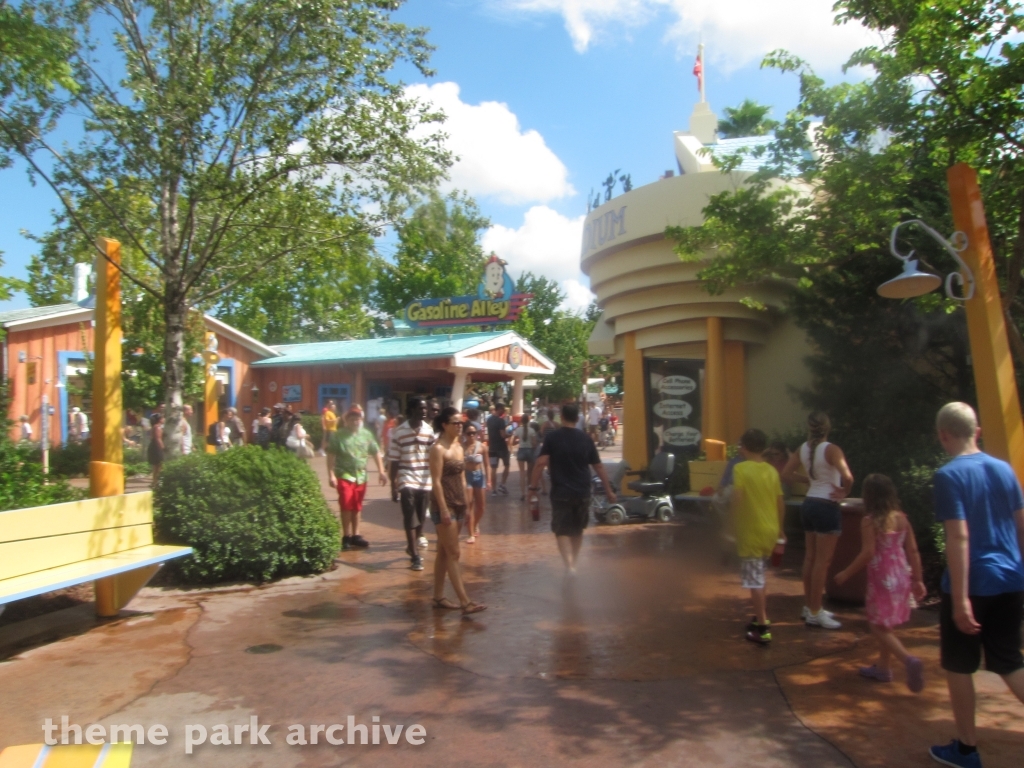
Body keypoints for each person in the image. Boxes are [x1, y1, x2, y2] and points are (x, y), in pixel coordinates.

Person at [926, 402, 1024, 768]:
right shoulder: (1004, 470)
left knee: (959, 665)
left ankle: (967, 750)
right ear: (977, 431)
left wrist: (961, 599)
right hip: (1011, 580)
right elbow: (1020, 524)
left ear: (943, 435)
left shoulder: (949, 476)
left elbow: (959, 537)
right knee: (1010, 662)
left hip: (973, 584)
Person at [834, 474, 926, 692]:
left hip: (882, 576)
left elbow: (868, 553)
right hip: (901, 574)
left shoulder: (870, 521)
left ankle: (907, 659)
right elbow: (913, 551)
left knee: (876, 624)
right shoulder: (902, 518)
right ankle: (884, 668)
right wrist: (919, 579)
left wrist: (846, 573)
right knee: (887, 623)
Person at [781, 412, 853, 629]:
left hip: (809, 503)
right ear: (827, 428)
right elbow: (848, 477)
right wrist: (844, 492)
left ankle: (810, 606)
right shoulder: (832, 449)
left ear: (809, 428)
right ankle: (815, 612)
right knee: (823, 562)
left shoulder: (803, 449)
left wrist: (808, 480)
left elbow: (786, 473)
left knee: (810, 558)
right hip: (825, 506)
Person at [529, 403, 617, 574]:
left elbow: (540, 463)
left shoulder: (552, 438)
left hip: (561, 491)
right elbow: (598, 467)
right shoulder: (586, 439)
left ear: (561, 417)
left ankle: (569, 565)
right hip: (583, 491)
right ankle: (574, 564)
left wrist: (532, 488)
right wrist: (608, 490)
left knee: (561, 530)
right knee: (577, 529)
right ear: (577, 419)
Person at [730, 429, 786, 645]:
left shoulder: (740, 469)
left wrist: (731, 525)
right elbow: (780, 502)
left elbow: (737, 499)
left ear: (744, 447)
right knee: (761, 574)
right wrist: (780, 529)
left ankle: (763, 628)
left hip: (751, 532)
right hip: (770, 530)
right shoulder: (771, 471)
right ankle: (759, 614)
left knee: (754, 580)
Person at [428, 406, 486, 615]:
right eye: (455, 423)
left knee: (444, 552)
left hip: (459, 503)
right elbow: (435, 482)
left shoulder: (459, 448)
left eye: (461, 422)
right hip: (443, 505)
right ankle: (465, 601)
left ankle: (438, 596)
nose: (460, 426)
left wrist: (467, 505)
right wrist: (443, 509)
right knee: (454, 553)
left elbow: (462, 478)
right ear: (444, 425)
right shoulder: (438, 449)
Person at [327, 405, 386, 551]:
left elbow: (376, 452)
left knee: (357, 505)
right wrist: (331, 474)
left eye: (357, 418)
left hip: (361, 476)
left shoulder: (366, 434)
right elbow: (330, 455)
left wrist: (381, 471)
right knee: (346, 504)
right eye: (352, 418)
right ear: (346, 420)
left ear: (361, 419)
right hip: (344, 475)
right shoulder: (338, 435)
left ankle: (356, 535)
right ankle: (346, 536)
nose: (355, 420)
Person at [388, 398, 435, 571]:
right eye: (421, 408)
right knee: (409, 514)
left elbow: (434, 457)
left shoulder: (429, 432)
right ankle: (415, 555)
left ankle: (411, 545)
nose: (424, 411)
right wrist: (393, 485)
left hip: (424, 479)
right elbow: (394, 460)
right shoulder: (399, 432)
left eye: (425, 409)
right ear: (412, 409)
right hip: (406, 477)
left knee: (421, 517)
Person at [461, 422, 489, 543]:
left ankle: (474, 523)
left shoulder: (482, 447)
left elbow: (487, 465)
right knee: (469, 506)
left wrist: (489, 480)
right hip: (467, 476)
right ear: (464, 434)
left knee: (481, 507)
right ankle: (470, 534)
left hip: (479, 476)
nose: (471, 435)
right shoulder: (461, 447)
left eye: (474, 433)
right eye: (469, 433)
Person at [487, 401, 511, 495]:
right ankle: (502, 484)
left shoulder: (489, 419)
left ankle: (493, 490)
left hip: (492, 447)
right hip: (502, 447)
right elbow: (502, 435)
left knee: (493, 468)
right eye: (503, 410)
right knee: (507, 465)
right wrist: (509, 435)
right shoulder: (501, 421)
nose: (504, 412)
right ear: (499, 409)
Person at [512, 415, 539, 500]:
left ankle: (522, 493)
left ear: (521, 421)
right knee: (530, 473)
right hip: (530, 451)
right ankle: (529, 491)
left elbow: (513, 442)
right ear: (528, 421)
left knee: (522, 473)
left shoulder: (518, 430)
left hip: (521, 451)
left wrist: (518, 441)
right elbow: (534, 443)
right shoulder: (532, 430)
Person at [147, 412, 164, 488]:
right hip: (156, 447)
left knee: (156, 466)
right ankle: (156, 482)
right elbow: (158, 439)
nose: (163, 419)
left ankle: (155, 482)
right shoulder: (157, 427)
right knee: (159, 465)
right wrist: (163, 448)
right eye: (162, 418)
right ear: (159, 419)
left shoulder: (154, 427)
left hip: (154, 446)